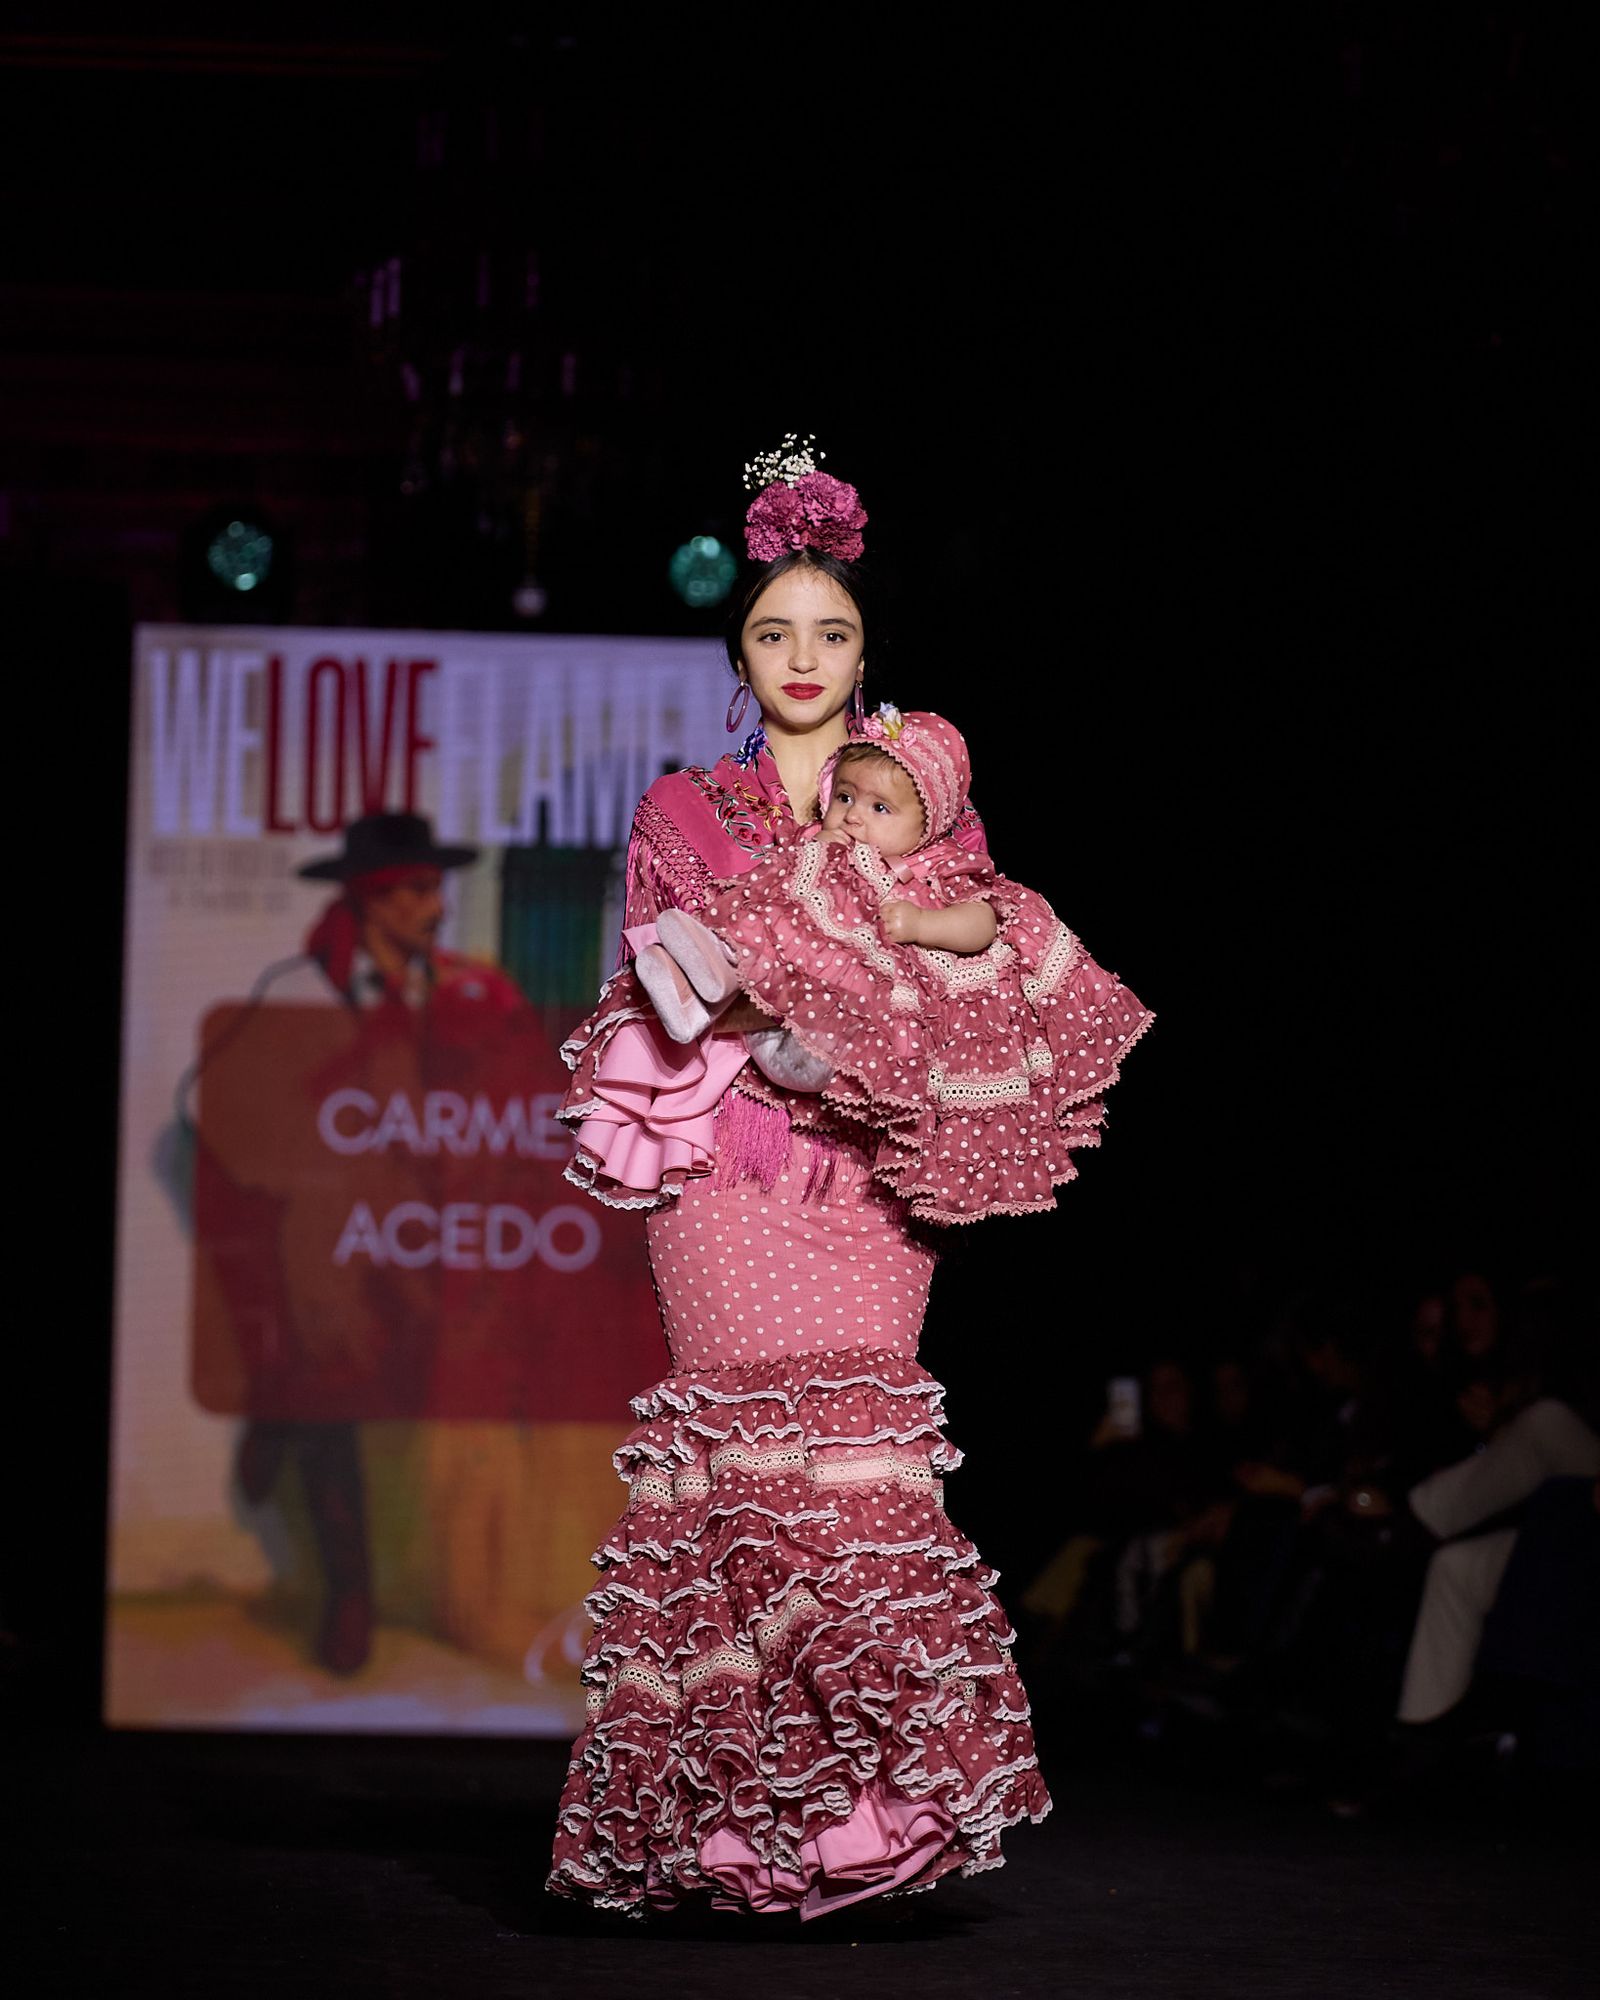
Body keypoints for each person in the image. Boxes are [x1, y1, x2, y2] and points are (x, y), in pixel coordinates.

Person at [544, 441, 1150, 1921]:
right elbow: (667, 990)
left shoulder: (926, 805)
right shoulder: (683, 812)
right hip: (728, 1179)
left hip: (872, 1185)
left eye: (830, 632)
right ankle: (720, 1838)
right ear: (738, 655)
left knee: (859, 1482)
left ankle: (856, 1826)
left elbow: (982, 967)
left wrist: (879, 976)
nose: (802, 657)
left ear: (867, 649)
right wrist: (789, 1009)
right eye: (772, 633)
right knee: (739, 1488)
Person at [561, 706, 1150, 1226]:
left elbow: (986, 922)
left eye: (879, 807)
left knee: (833, 1028)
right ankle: (696, 980)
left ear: (928, 827)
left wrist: (922, 925)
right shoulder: (813, 854)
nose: (853, 816)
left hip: (838, 1015)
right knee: (745, 932)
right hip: (774, 984)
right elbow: (758, 905)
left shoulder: (935, 871)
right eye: (844, 797)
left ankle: (743, 1012)